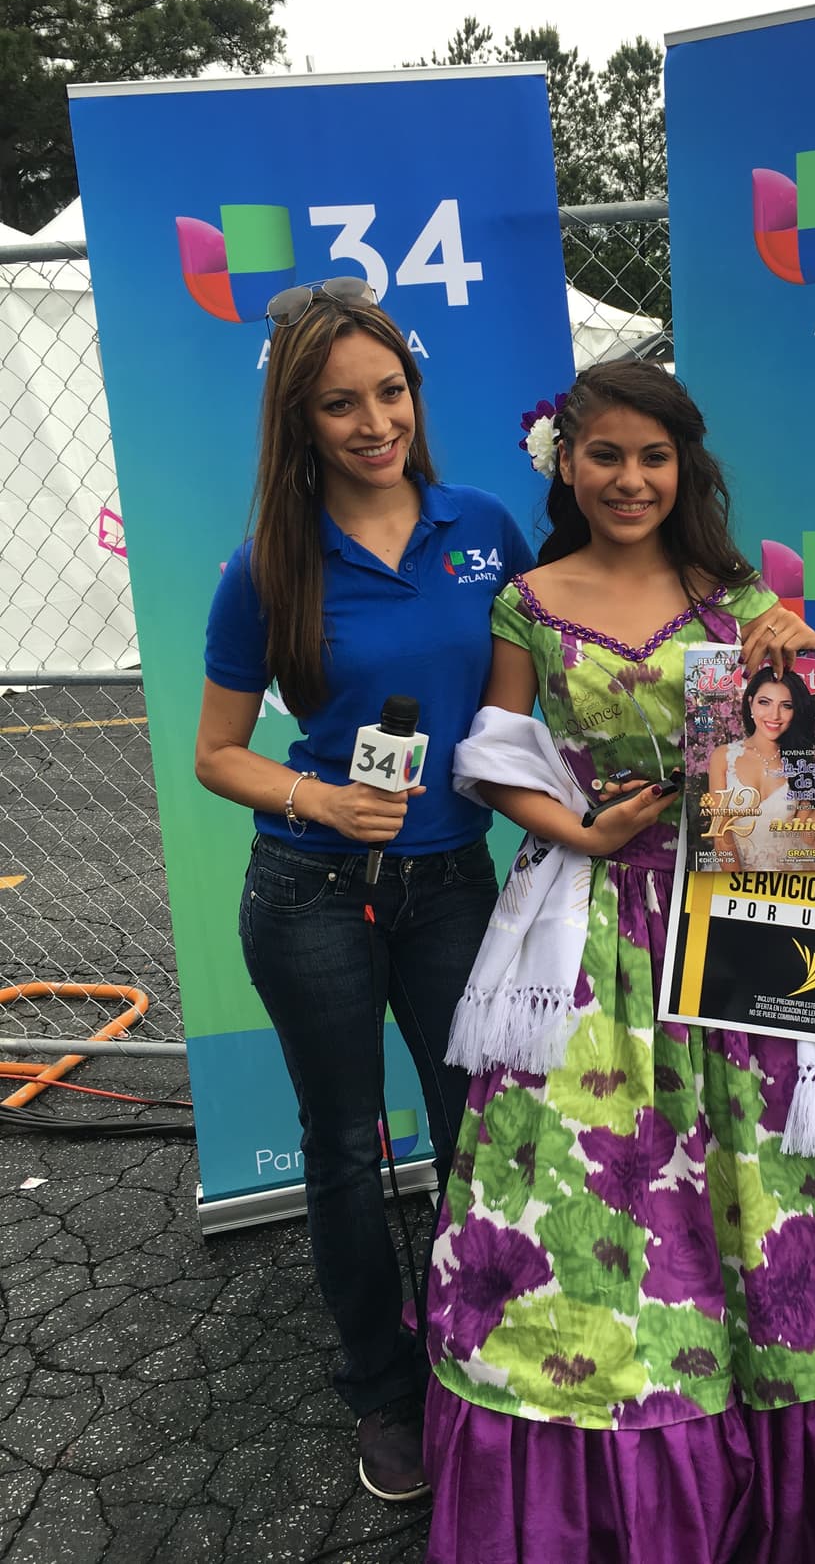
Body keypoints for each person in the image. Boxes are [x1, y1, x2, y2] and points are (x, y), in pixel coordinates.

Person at [423, 360, 815, 1563]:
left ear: (685, 468)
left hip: (748, 913)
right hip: (598, 934)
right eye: (604, 455)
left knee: (811, 1185)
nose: (628, 479)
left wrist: (809, 654)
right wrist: (578, 829)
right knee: (603, 1192)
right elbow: (498, 753)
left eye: (652, 458)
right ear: (565, 462)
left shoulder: (736, 596)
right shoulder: (526, 600)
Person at [193, 281, 536, 1502]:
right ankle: (381, 1394)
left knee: (473, 1135)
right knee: (343, 1149)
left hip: (451, 882)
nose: (372, 422)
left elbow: (534, 683)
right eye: (339, 404)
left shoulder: (485, 525)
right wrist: (319, 801)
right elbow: (217, 751)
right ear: (299, 422)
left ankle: (479, 1359)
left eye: (389, 393)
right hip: (309, 893)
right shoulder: (267, 566)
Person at [708, 666, 815, 871]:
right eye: (765, 702)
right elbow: (721, 834)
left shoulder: (802, 764)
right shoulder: (723, 756)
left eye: (786, 706)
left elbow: (801, 839)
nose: (774, 715)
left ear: (795, 712)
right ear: (751, 704)